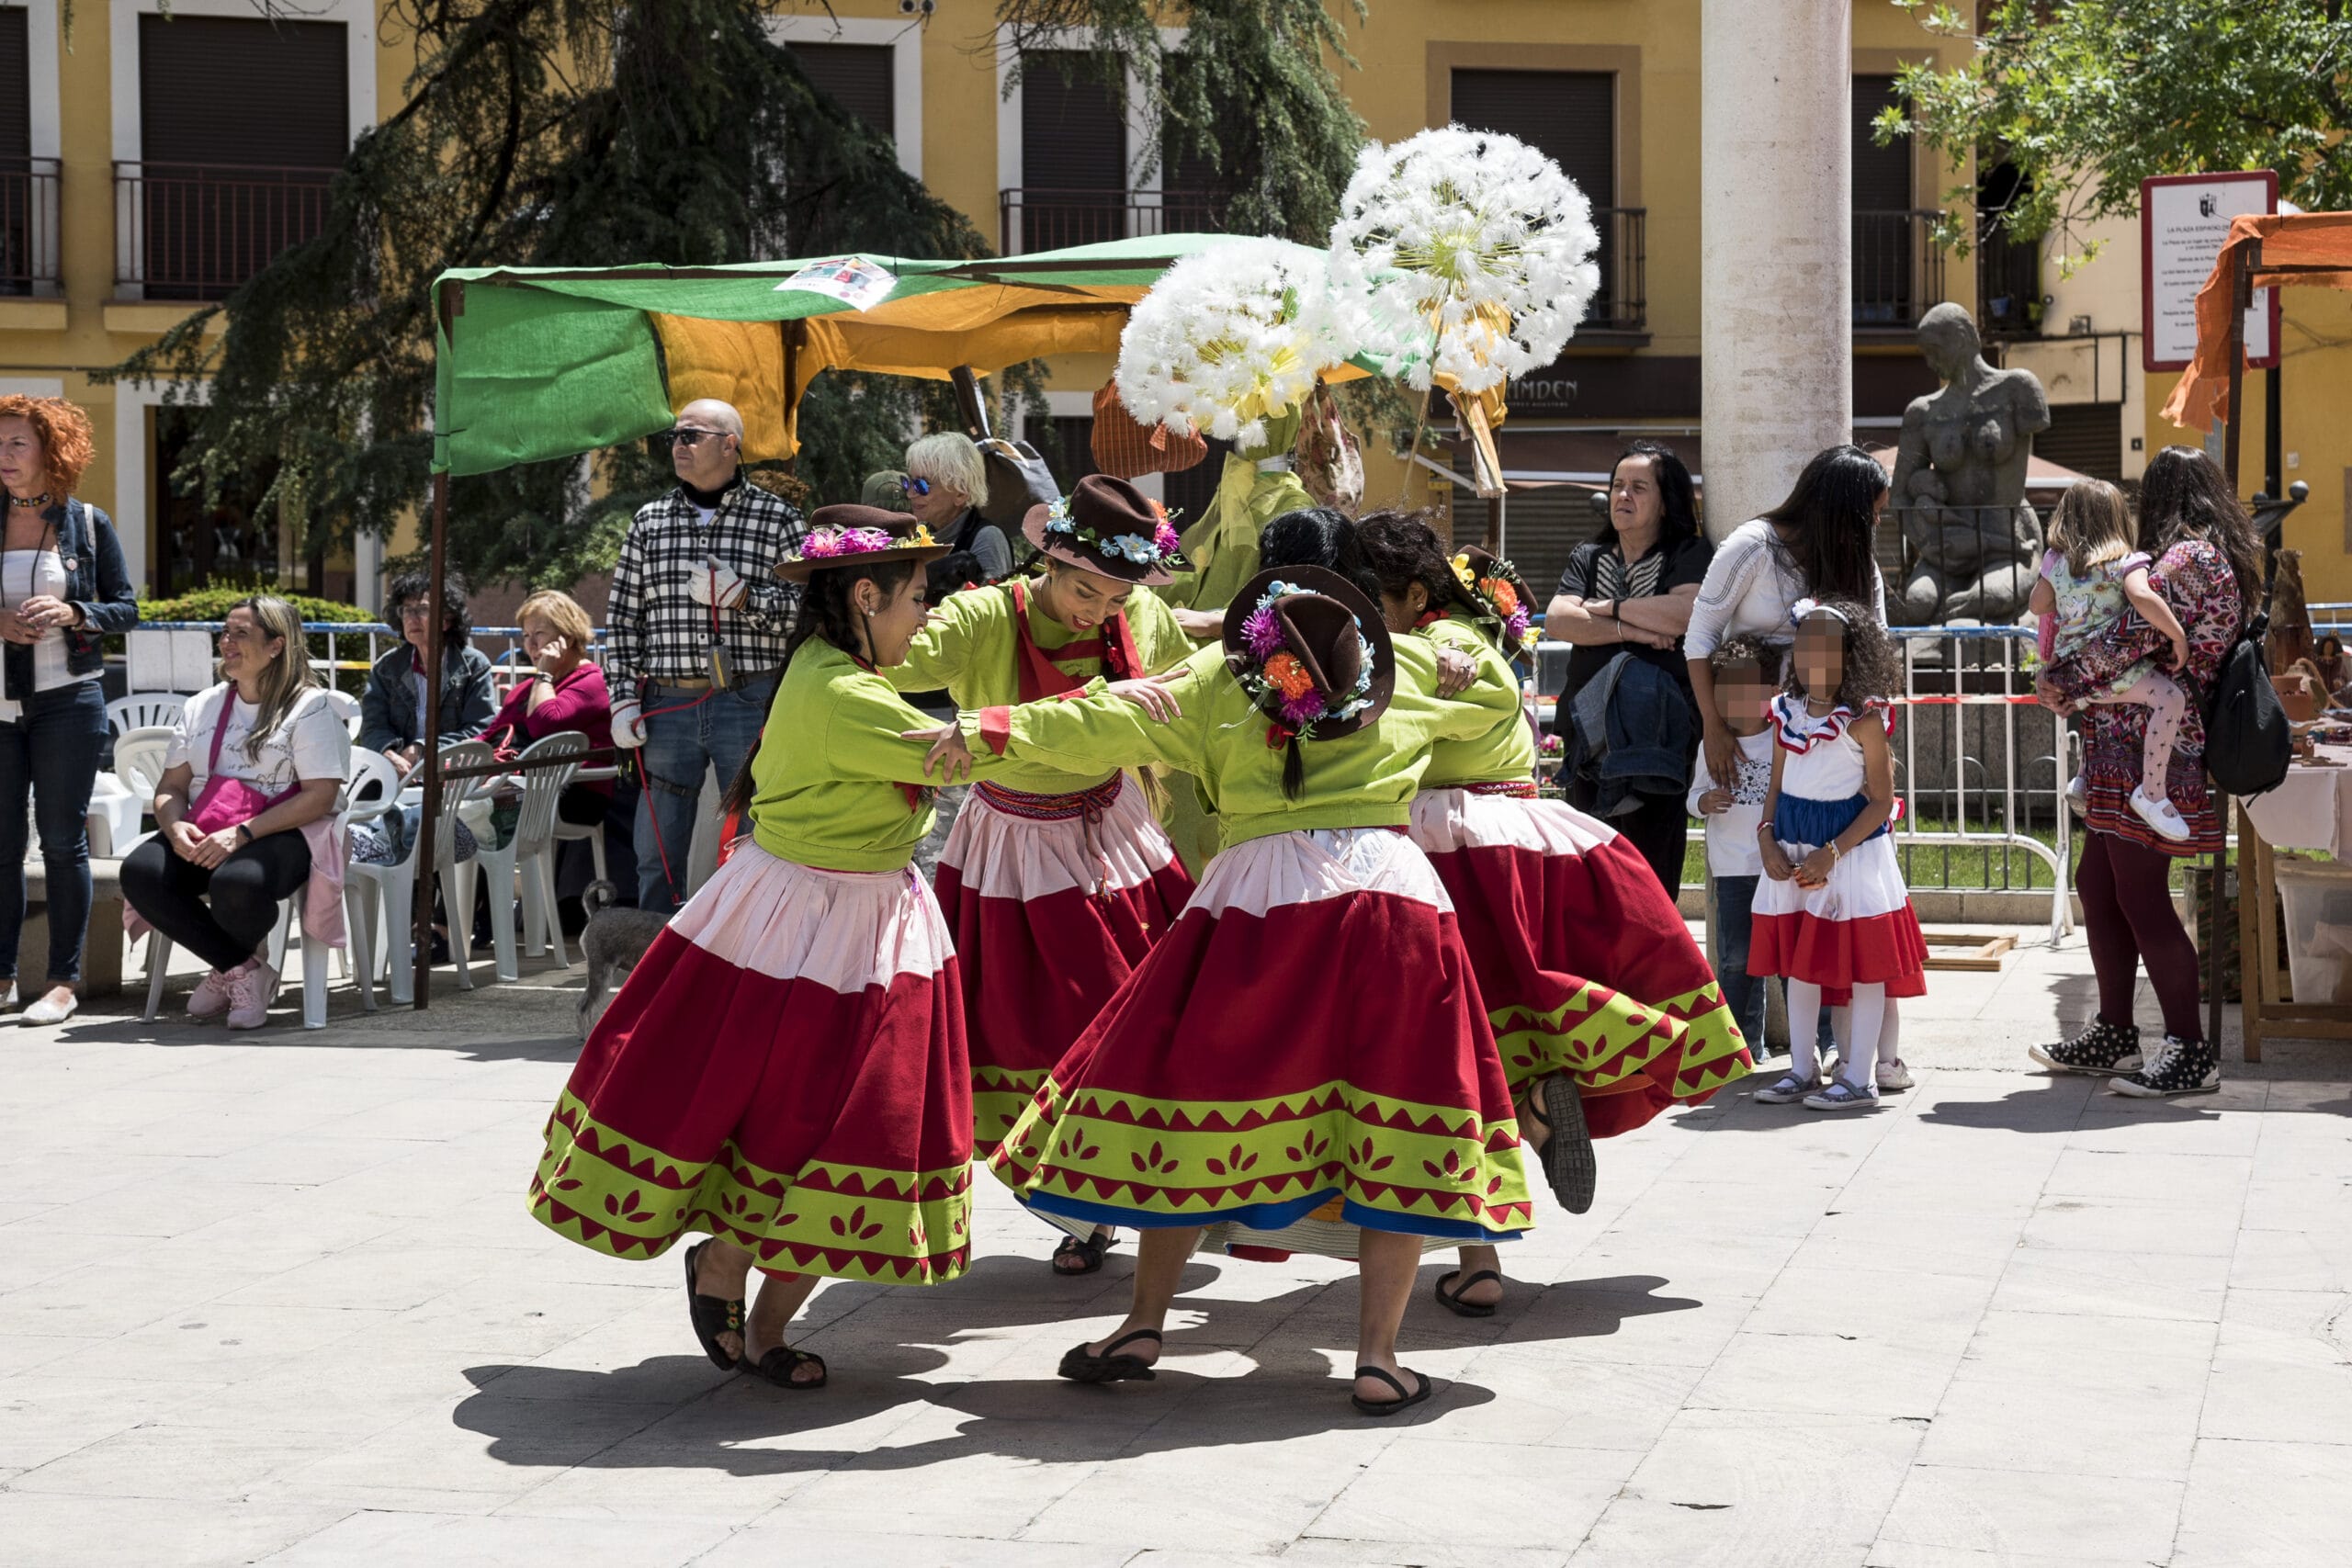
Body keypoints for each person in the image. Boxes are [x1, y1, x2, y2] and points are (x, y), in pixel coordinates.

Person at [913, 557, 1532, 1416]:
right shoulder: (1403, 664)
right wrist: (1459, 664)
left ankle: (1144, 1324)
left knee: (1177, 1093)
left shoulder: (1218, 679)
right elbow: (1500, 698)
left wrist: (987, 728)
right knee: (1397, 1114)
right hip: (1393, 903)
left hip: (1257, 898)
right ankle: (1378, 1359)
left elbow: (1098, 718)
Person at [529, 510, 1021, 1391]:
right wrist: (1126, 709)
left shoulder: (842, 672)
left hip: (871, 919)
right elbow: (968, 754)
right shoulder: (841, 693)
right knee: (797, 1115)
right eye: (917, 597)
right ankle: (731, 1274)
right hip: (805, 924)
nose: (926, 616)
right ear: (865, 596)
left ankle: (758, 1313)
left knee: (858, 1127)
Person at [1357, 512, 1749, 1318]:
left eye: (1372, 599)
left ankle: (1483, 1246)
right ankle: (1530, 1126)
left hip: (1439, 854)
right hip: (1512, 837)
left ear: (1415, 596)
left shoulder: (1429, 652)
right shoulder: (1473, 640)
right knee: (1494, 1036)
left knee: (1445, 1055)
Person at [879, 474, 1197, 1278]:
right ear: (1048, 563)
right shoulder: (987, 615)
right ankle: (1081, 1205)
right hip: (1013, 846)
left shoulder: (1140, 614)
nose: (1098, 611)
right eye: (1085, 591)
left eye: (1116, 597)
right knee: (1021, 1024)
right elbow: (896, 655)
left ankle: (1130, 1189)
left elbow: (1194, 683)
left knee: (1141, 1007)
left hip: (1115, 830)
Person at [2030, 446, 2257, 1098]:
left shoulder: (2188, 559)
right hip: (2122, 745)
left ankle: (2189, 1050)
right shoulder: (2195, 557)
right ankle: (2116, 1033)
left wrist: (2060, 680)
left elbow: (2129, 638)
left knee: (2140, 895)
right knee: (2098, 884)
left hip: (2154, 751)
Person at [605, 399, 808, 916]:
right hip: (667, 702)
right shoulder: (649, 522)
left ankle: (754, 945)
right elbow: (623, 620)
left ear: (730, 445)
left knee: (762, 838)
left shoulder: (779, 520)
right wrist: (622, 699)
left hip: (750, 698)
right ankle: (653, 952)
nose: (678, 445)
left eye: (691, 435)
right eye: (674, 436)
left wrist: (745, 598)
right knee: (655, 852)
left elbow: (808, 614)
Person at [121, 598, 351, 1031]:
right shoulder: (202, 705)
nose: (227, 642)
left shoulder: (310, 707)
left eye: (241, 634)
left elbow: (320, 797)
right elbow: (171, 788)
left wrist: (241, 834)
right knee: (141, 872)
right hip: (212, 826)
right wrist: (174, 827)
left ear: (277, 645)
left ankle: (231, 968)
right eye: (225, 633)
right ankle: (241, 967)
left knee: (237, 882)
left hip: (288, 828)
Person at [1748, 602, 1924, 1110]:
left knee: (1865, 967)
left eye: (1826, 648)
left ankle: (1861, 1078)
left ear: (1851, 655)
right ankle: (1801, 1068)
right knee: (1800, 965)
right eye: (1805, 646)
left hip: (1849, 857)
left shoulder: (1863, 719)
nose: (1813, 657)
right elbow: (1775, 788)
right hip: (1794, 851)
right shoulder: (1786, 713)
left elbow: (1881, 802)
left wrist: (1831, 853)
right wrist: (1766, 838)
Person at [0, 395, 139, 1026]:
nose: (5, 456)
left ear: (50, 451)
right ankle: (2, 976)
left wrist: (74, 611)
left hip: (69, 700)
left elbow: (127, 608)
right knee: (3, 844)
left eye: (17, 444)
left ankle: (62, 982)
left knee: (61, 841)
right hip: (1, 705)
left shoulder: (87, 522)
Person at [1544, 442, 1714, 890]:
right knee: (1592, 870)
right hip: (1589, 738)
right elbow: (1559, 619)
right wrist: (1635, 631)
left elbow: (1683, 614)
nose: (1623, 495)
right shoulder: (1589, 555)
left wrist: (1606, 607)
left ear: (1666, 502)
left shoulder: (1688, 552)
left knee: (1650, 875)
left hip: (1660, 736)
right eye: (1618, 485)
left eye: (1639, 487)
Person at [1686, 444, 1892, 791]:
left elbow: (1877, 652)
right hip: (1750, 730)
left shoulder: (1861, 567)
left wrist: (1875, 746)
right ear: (1842, 511)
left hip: (1829, 733)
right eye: (1872, 512)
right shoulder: (1752, 546)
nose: (1876, 522)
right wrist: (1713, 724)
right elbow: (1700, 636)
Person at [2030, 479, 2194, 841]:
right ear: (2118, 518)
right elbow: (2141, 597)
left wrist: (2065, 588)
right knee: (2170, 699)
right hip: (2112, 670)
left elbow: (2037, 605)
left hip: (2073, 676)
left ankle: (2082, 777)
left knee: (2097, 706)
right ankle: (2152, 793)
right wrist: (2177, 634)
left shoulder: (2056, 561)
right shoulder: (2127, 563)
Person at [481, 589, 638, 919]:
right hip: (528, 789)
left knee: (482, 814)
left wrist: (544, 674)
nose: (531, 644)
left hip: (579, 795)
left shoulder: (593, 681)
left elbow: (545, 724)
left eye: (540, 634)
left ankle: (470, 922)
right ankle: (461, 921)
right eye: (526, 636)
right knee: (457, 813)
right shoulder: (526, 690)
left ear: (567, 637)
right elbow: (490, 735)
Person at [1686, 638, 1778, 1056]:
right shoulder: (1712, 744)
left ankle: (1818, 1043)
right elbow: (1692, 799)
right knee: (1737, 961)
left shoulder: (1783, 739)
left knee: (1789, 963)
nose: (1738, 701)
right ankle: (1743, 1047)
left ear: (1771, 691)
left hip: (1778, 868)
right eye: (1728, 691)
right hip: (1731, 871)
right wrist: (1704, 802)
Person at [356, 570, 495, 765]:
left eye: (422, 609)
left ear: (446, 620)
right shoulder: (386, 668)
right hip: (396, 771)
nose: (412, 618)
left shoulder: (474, 666)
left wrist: (422, 748)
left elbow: (480, 729)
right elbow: (372, 726)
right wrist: (389, 753)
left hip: (452, 772)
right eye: (406, 610)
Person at [901, 433, 1012, 582]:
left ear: (961, 493)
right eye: (908, 482)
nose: (910, 494)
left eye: (922, 485)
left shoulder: (987, 538)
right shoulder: (918, 534)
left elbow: (993, 597)